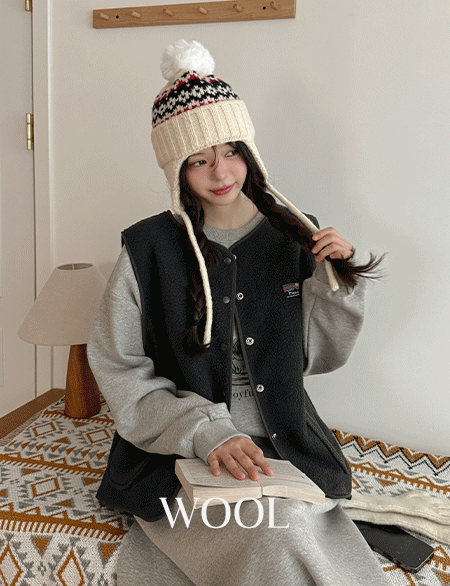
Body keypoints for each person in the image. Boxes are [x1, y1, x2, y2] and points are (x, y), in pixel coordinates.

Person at [88, 40, 388, 586]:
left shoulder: (295, 234)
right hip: (178, 457)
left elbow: (317, 358)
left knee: (290, 528)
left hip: (285, 445)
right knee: (273, 536)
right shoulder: (148, 249)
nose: (220, 171)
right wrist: (208, 432)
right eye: (198, 160)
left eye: (231, 151)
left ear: (249, 151)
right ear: (176, 169)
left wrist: (337, 284)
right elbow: (120, 369)